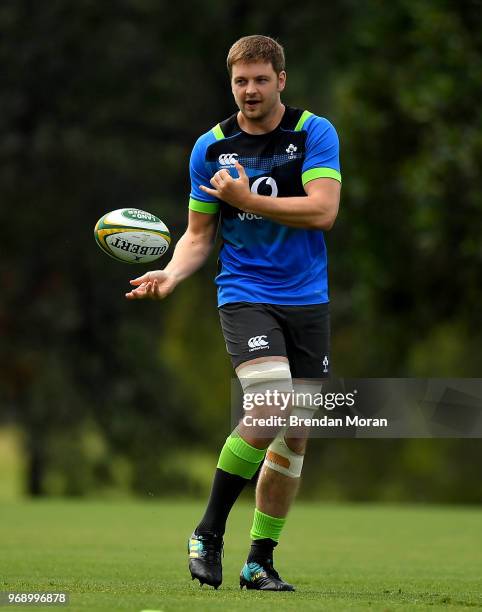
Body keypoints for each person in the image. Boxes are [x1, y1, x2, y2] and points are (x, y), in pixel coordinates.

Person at [126, 34, 341, 591]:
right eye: (240, 81)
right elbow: (199, 237)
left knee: (294, 435)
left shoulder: (314, 133)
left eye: (260, 80)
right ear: (231, 83)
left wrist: (248, 201)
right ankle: (208, 532)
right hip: (245, 294)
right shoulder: (210, 149)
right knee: (270, 409)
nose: (249, 91)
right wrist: (171, 273)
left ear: (281, 81)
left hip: (307, 300)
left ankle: (259, 561)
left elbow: (322, 211)